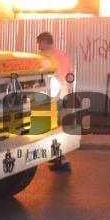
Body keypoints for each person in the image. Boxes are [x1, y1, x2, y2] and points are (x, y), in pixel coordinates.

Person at [36, 32, 73, 173]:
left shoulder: (44, 57)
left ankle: (63, 160)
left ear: (44, 42)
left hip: (51, 98)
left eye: (39, 43)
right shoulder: (63, 55)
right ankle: (57, 156)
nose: (38, 46)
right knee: (56, 127)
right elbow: (70, 75)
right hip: (63, 96)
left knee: (53, 129)